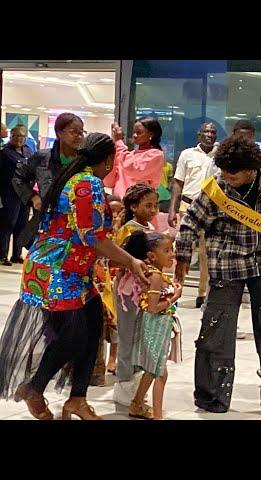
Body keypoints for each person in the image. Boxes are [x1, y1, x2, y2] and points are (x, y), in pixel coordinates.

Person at [0, 133, 149, 420]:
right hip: (58, 271)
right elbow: (93, 237)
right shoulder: (87, 184)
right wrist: (131, 261)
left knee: (93, 328)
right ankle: (34, 386)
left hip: (69, 269)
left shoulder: (75, 177)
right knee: (74, 337)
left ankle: (77, 399)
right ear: (108, 160)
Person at [175, 135, 261, 415]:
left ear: (250, 170)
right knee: (215, 333)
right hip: (226, 265)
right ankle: (212, 397)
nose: (226, 178)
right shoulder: (216, 189)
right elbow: (189, 225)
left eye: (232, 174)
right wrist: (182, 260)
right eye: (222, 172)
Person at [124, 231, 183, 420]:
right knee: (159, 373)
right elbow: (152, 308)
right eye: (166, 250)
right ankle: (158, 415)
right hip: (155, 325)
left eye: (171, 249)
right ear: (151, 256)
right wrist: (174, 297)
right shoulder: (156, 277)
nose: (172, 254)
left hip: (161, 325)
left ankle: (136, 404)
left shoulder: (159, 275)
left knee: (152, 371)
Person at [111, 183, 159, 406]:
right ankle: (123, 382)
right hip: (127, 290)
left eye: (156, 205)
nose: (153, 210)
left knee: (142, 334)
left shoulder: (149, 226)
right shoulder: (127, 230)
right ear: (133, 206)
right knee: (127, 335)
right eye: (148, 205)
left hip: (145, 289)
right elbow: (112, 259)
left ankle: (136, 380)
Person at [12, 113, 84, 249]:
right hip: (45, 223)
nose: (78, 136)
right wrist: (32, 197)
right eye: (74, 132)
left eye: (81, 132)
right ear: (59, 133)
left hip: (75, 226)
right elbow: (18, 178)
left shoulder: (84, 161)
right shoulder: (42, 157)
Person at [168, 122, 219, 308]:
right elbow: (178, 183)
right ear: (199, 135)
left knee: (207, 254)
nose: (209, 135)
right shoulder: (187, 154)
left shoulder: (220, 156)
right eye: (206, 131)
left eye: (213, 132)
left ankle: (203, 293)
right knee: (182, 250)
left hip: (210, 210)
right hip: (187, 207)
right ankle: (177, 290)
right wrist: (172, 209)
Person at [103, 117, 165, 199]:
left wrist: (118, 142)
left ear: (151, 134)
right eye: (134, 132)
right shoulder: (127, 156)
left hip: (139, 207)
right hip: (119, 206)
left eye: (139, 132)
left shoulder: (156, 155)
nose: (134, 135)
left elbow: (134, 170)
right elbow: (109, 182)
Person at [0, 125, 33, 265]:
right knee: (8, 224)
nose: (19, 139)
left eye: (22, 136)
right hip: (10, 194)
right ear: (11, 136)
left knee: (22, 224)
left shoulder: (28, 151)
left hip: (25, 194)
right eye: (16, 136)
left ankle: (17, 254)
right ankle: (2, 255)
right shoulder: (5, 153)